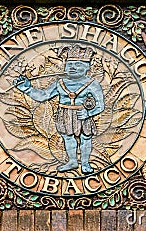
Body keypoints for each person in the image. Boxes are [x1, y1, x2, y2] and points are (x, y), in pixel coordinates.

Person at [13, 44, 105, 174]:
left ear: (87, 67)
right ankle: (72, 161)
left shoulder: (92, 84)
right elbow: (43, 96)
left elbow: (100, 104)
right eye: (70, 64)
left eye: (78, 64)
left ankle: (85, 164)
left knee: (86, 138)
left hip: (83, 115)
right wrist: (27, 88)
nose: (73, 68)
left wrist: (88, 113)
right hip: (65, 115)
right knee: (68, 138)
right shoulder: (60, 83)